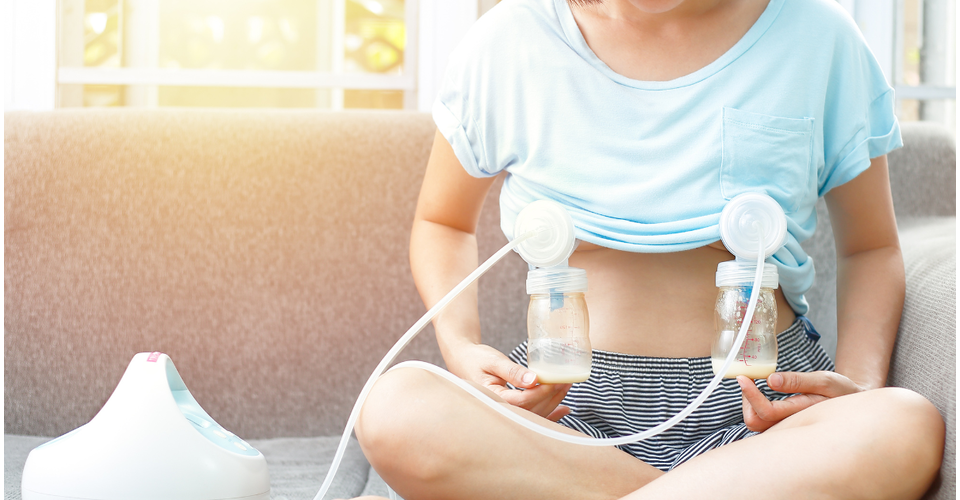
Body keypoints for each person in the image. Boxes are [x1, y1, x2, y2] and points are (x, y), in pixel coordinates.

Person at [352, 0, 945, 498]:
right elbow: (443, 222)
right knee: (395, 407)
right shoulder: (510, 41)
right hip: (567, 419)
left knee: (904, 424)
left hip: (763, 412)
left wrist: (861, 384)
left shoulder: (821, 37)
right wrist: (459, 346)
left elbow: (870, 247)